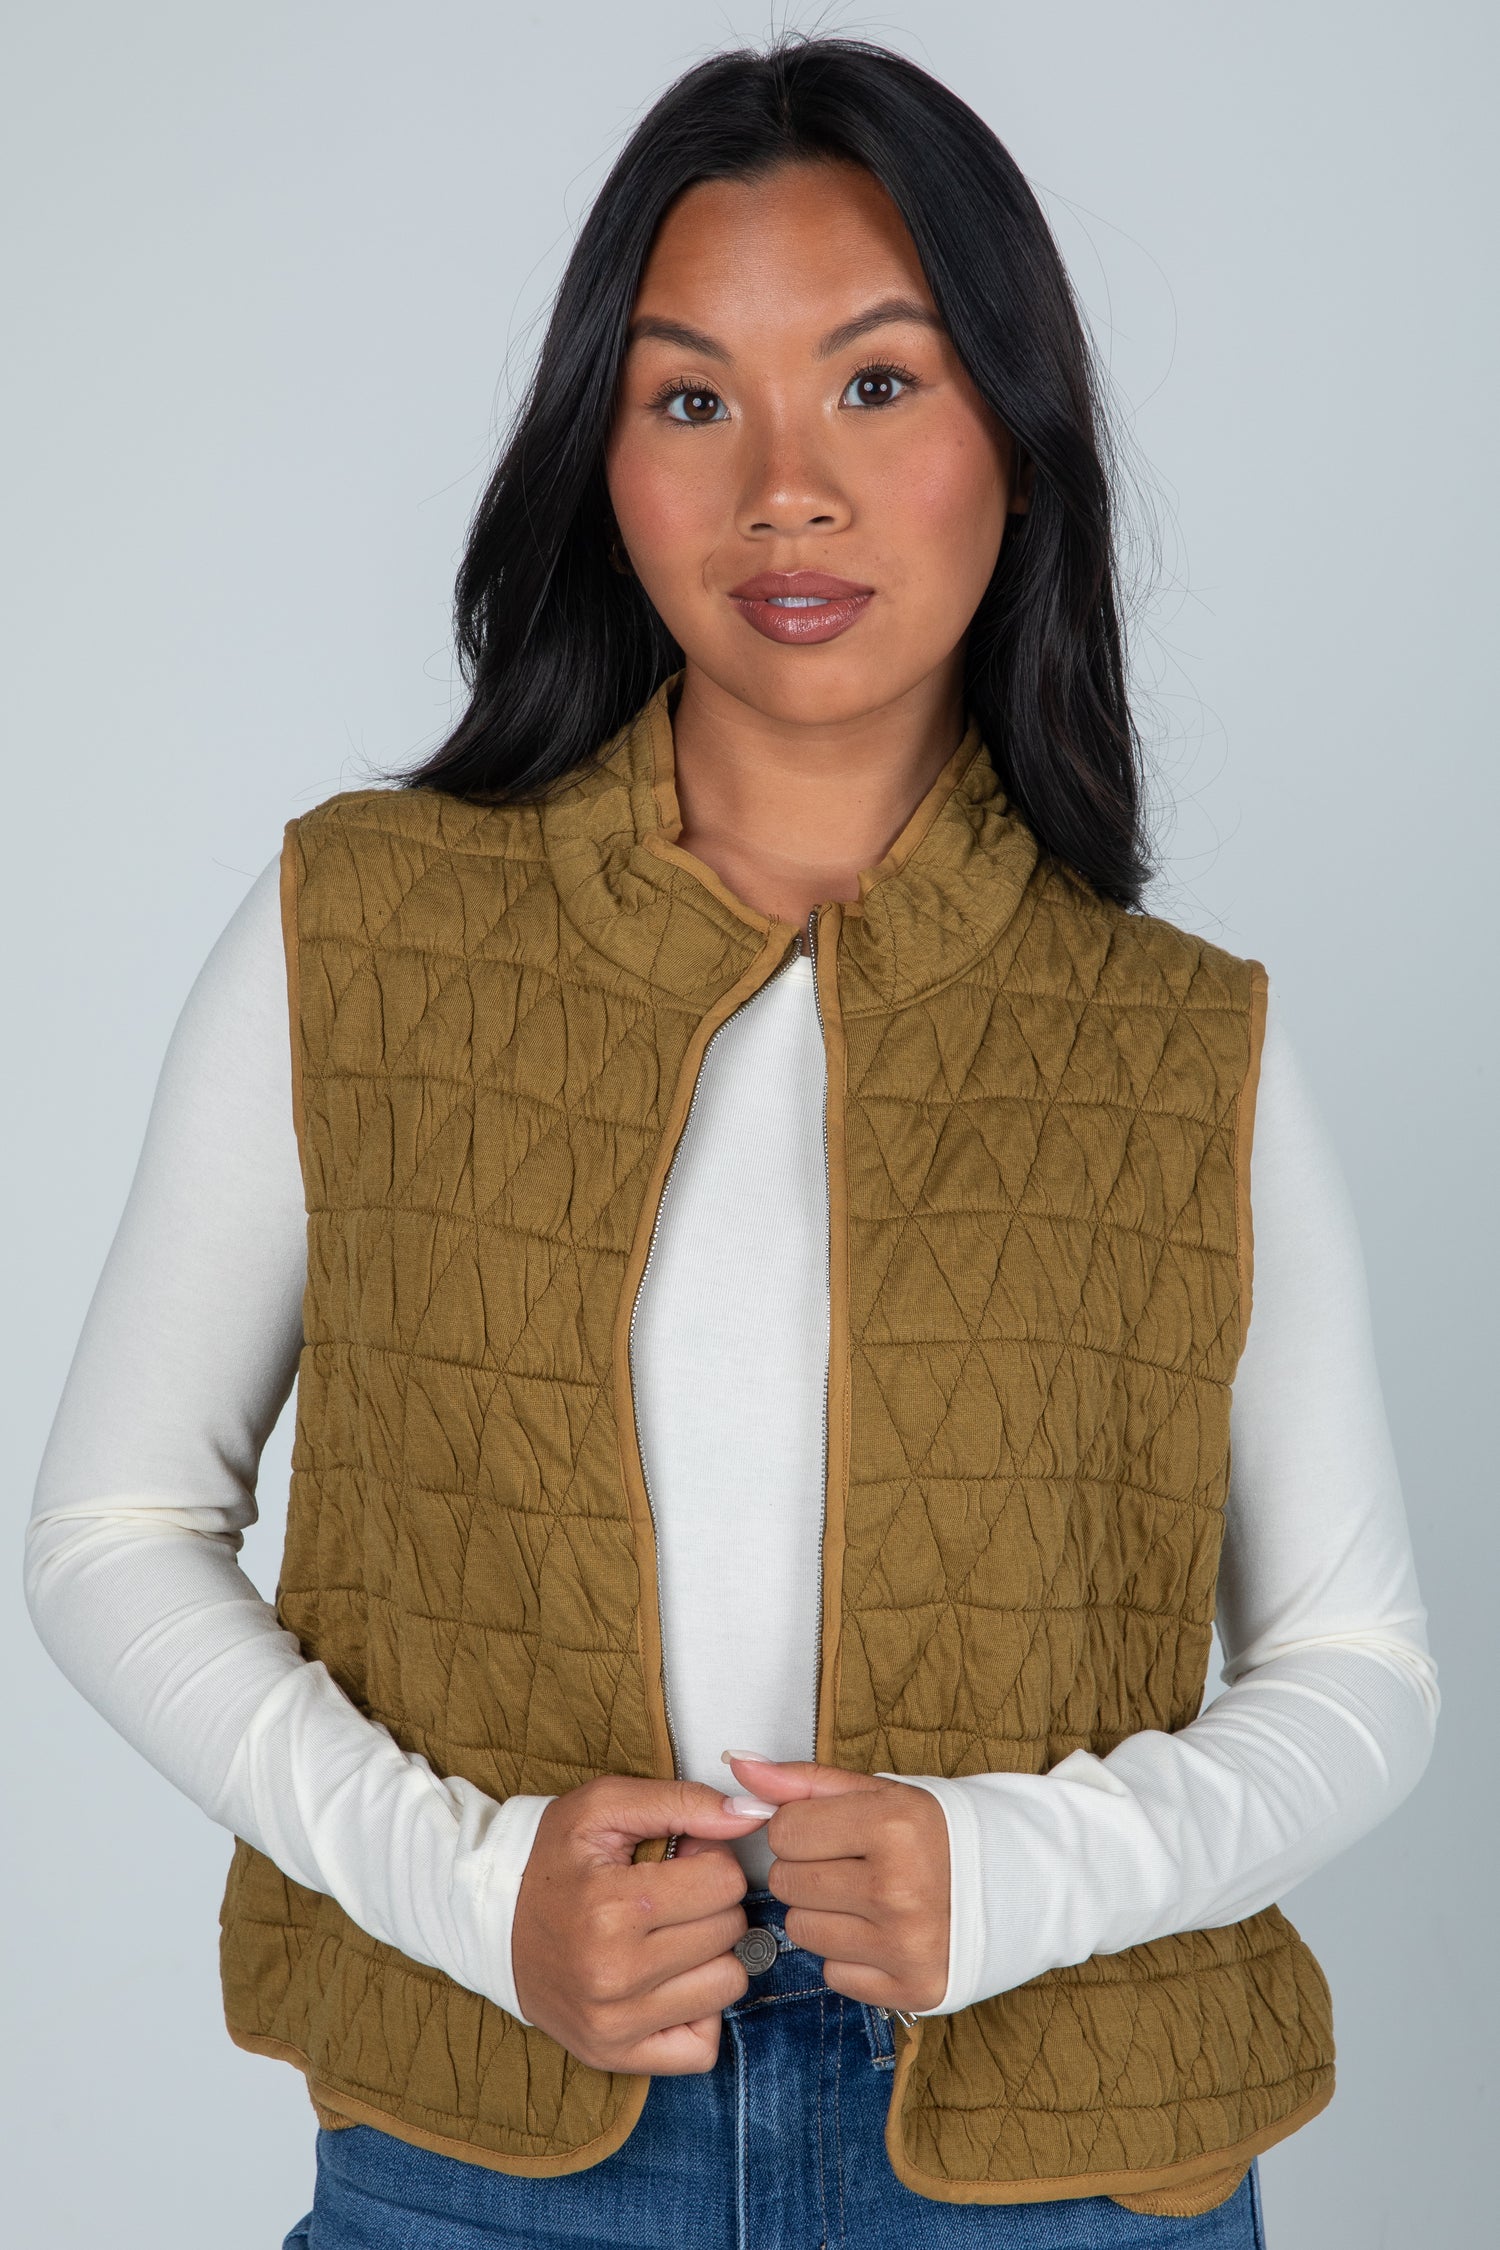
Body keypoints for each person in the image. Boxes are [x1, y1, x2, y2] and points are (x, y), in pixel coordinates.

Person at [24, 33, 1438, 2250]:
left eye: (879, 384)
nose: (787, 484)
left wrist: (1011, 1878)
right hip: (487, 2155)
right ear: (606, 457)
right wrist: (479, 1893)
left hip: (1055, 2178)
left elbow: (1358, 1674)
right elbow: (116, 1523)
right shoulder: (359, 925)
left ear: (1018, 437)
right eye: (692, 399)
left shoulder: (1186, 1046)